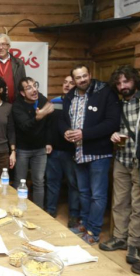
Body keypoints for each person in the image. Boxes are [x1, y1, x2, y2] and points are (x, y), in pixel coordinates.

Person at [59, 64, 120, 245]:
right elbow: (63, 120)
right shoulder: (70, 96)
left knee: (97, 195)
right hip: (78, 152)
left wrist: (84, 134)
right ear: (74, 80)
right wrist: (65, 132)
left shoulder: (105, 92)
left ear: (90, 75)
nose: (82, 80)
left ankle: (93, 230)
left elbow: (112, 123)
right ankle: (84, 224)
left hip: (99, 154)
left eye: (85, 76)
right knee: (83, 192)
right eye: (78, 78)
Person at [98, 65, 140, 266]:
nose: (123, 86)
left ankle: (134, 244)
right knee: (119, 202)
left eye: (127, 81)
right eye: (120, 83)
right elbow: (112, 126)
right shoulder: (118, 104)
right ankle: (120, 237)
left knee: (138, 206)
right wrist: (112, 135)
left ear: (134, 81)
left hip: (138, 160)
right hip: (122, 158)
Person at [12, 77, 53, 209]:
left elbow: (48, 124)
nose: (34, 89)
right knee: (20, 182)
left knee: (39, 182)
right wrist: (37, 117)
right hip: (23, 149)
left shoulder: (42, 100)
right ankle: (18, 210)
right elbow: (24, 126)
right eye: (29, 88)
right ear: (23, 93)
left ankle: (38, 211)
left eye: (35, 85)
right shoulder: (17, 106)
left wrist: (48, 142)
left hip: (40, 149)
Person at [45, 76, 80, 227]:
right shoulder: (53, 102)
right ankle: (50, 210)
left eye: (71, 83)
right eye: (65, 82)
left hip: (71, 151)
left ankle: (73, 214)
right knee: (52, 182)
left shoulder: (78, 103)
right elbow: (47, 125)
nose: (67, 85)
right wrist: (47, 142)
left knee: (73, 184)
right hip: (54, 150)